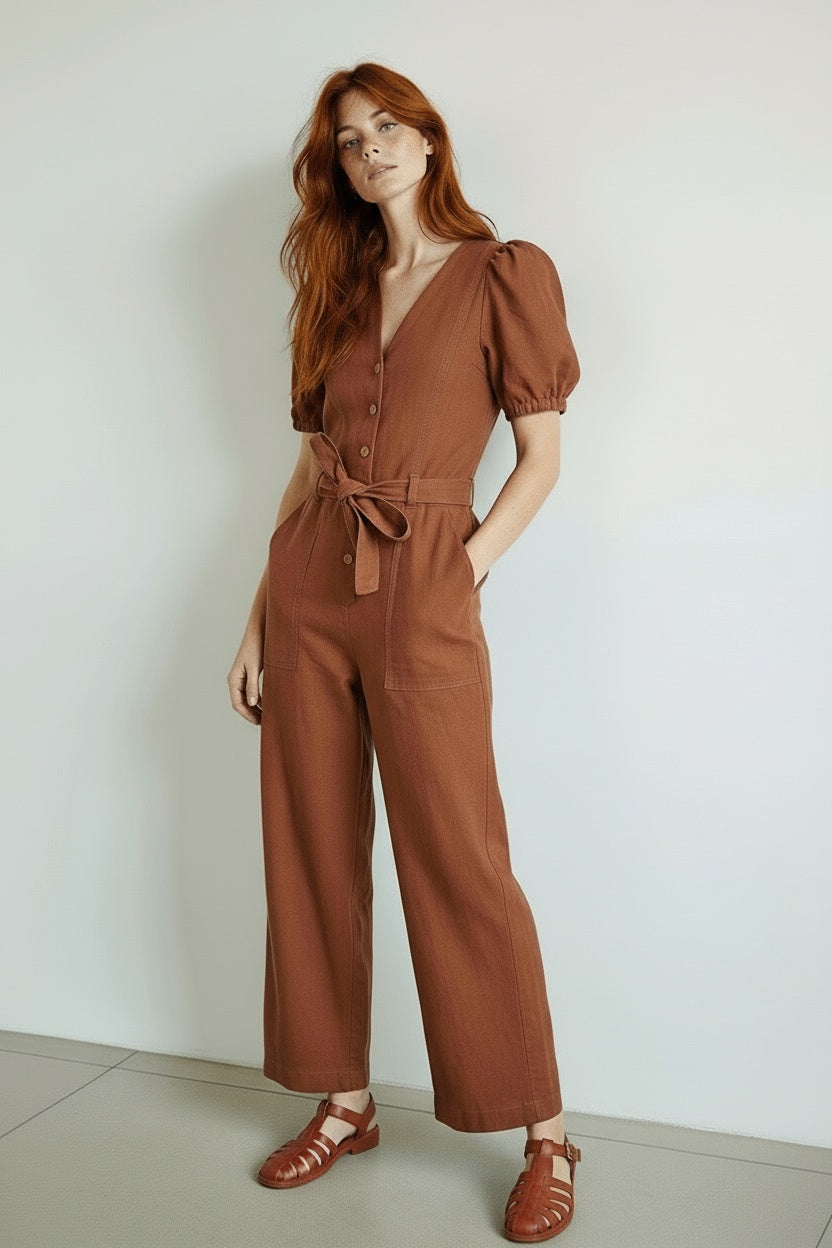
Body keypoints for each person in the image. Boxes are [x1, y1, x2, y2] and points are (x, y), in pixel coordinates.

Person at [227, 61, 583, 1242]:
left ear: (429, 141)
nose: (369, 147)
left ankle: (545, 1133)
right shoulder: (337, 291)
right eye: (348, 138)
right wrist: (257, 618)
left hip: (423, 580)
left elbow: (540, 456)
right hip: (310, 586)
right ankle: (345, 1101)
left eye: (387, 126)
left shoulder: (503, 273)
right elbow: (308, 467)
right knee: (310, 849)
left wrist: (460, 569)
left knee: (459, 858)